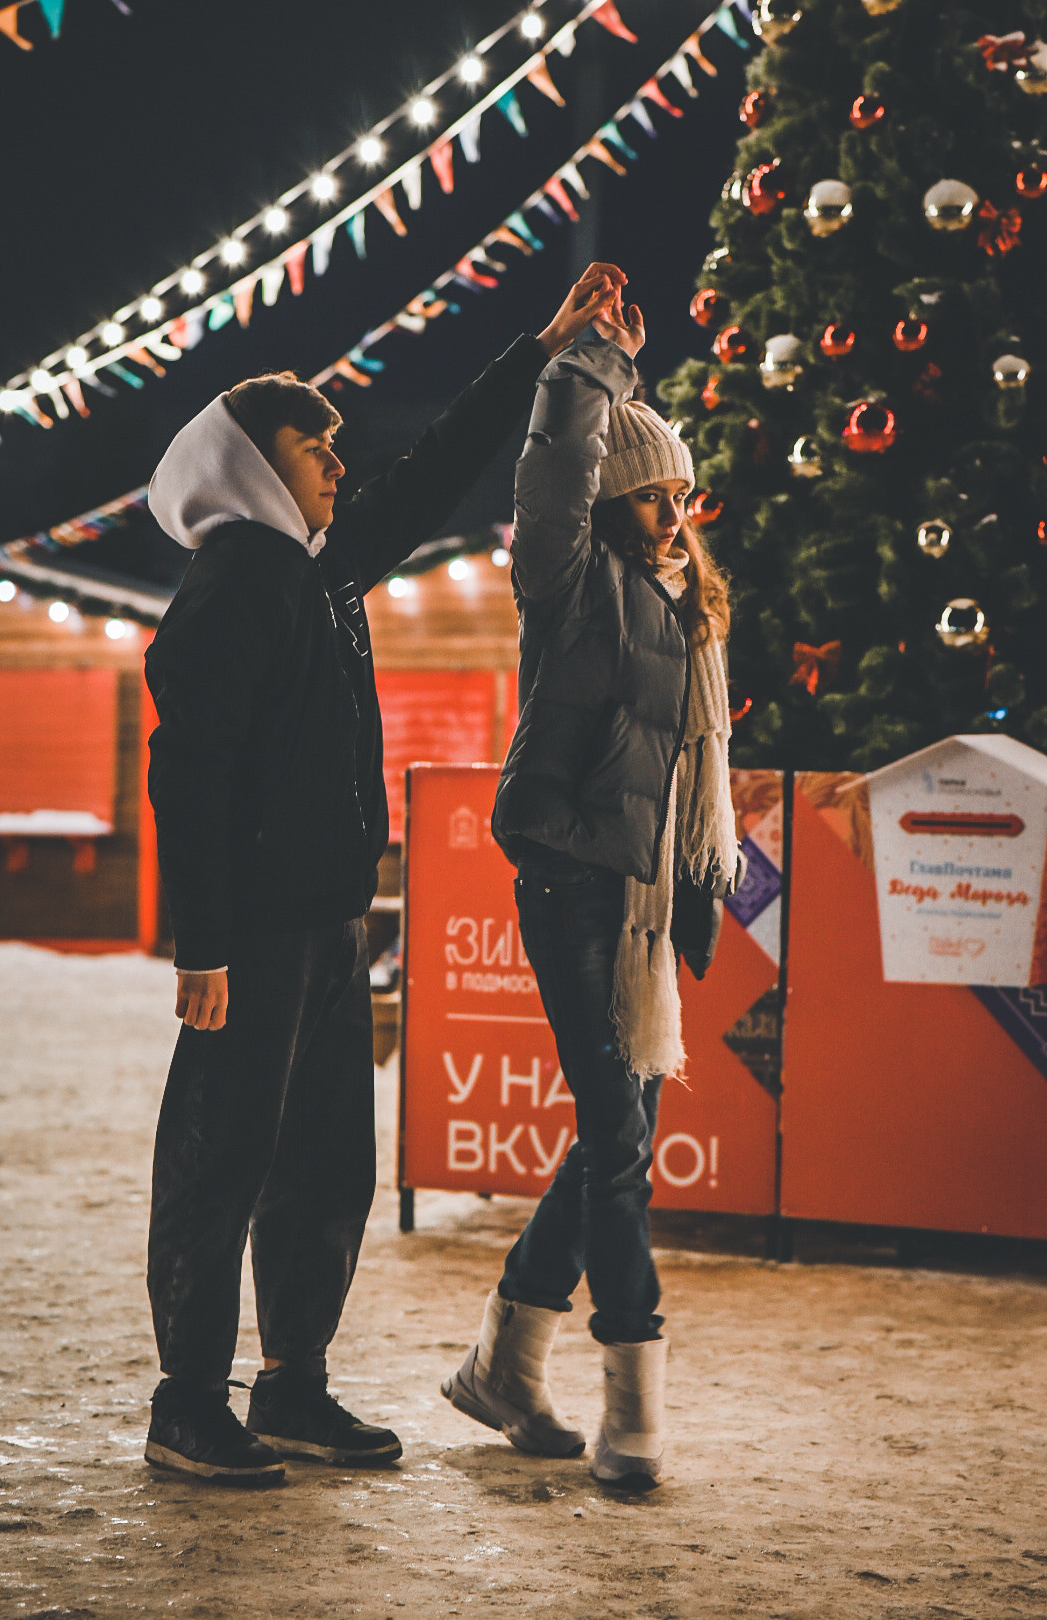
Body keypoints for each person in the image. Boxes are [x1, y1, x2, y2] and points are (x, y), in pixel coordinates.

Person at [142, 265, 626, 1483]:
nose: (340, 468)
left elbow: (429, 473)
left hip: (326, 920)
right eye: (317, 450)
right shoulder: (235, 584)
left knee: (321, 1168)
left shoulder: (314, 565)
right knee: (222, 1156)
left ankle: (291, 1385)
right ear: (257, 464)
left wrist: (536, 350)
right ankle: (188, 1401)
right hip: (250, 932)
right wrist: (201, 945)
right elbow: (186, 774)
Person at [442, 290, 741, 1491]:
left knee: (613, 1139)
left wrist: (696, 895)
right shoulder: (571, 586)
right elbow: (553, 468)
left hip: (644, 907)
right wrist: (590, 362)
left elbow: (679, 782)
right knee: (620, 1140)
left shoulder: (690, 614)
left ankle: (504, 1365)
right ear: (611, 510)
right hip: (573, 888)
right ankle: (634, 1396)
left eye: (686, 496)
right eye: (652, 498)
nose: (675, 516)